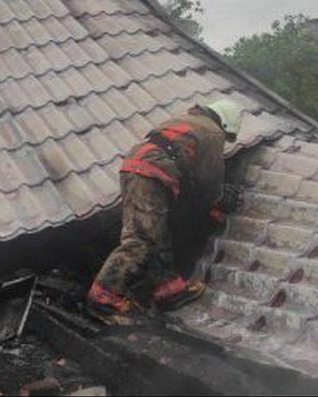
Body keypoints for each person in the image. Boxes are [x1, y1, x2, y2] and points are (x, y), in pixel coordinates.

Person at [86, 99, 244, 322]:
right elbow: (209, 180)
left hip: (139, 168)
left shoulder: (192, 121)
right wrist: (219, 202)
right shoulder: (213, 133)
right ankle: (103, 295)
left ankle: (168, 290)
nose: (224, 142)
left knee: (157, 233)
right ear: (226, 125)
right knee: (141, 239)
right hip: (150, 173)